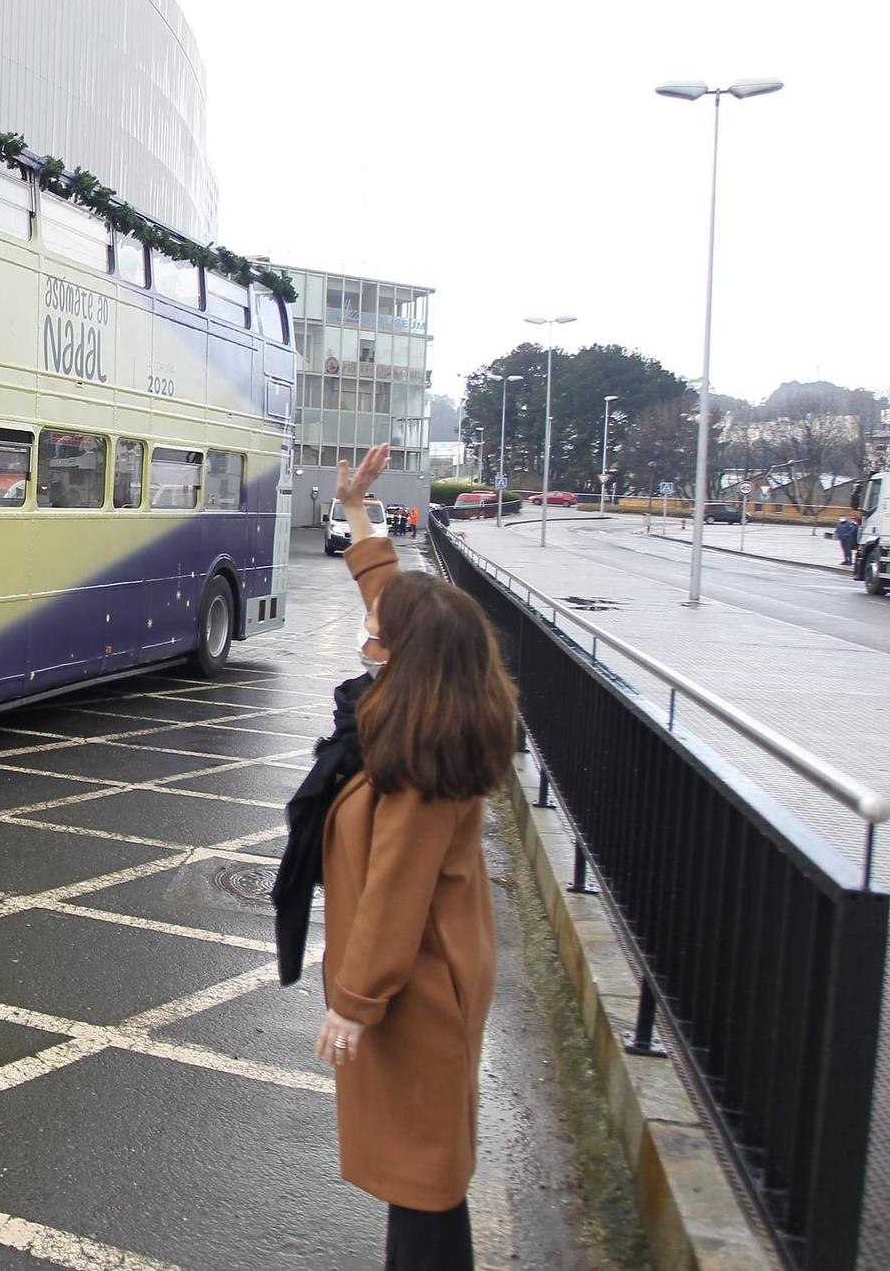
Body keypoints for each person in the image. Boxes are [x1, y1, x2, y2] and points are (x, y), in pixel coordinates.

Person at [313, 441, 519, 1270]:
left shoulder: (421, 766)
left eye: (378, 632)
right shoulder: (432, 707)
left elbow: (396, 891)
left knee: (425, 1178)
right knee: (423, 1170)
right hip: (430, 976)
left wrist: (353, 1002)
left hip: (416, 991)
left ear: (411, 657)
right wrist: (356, 508)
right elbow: (390, 593)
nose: (370, 625)